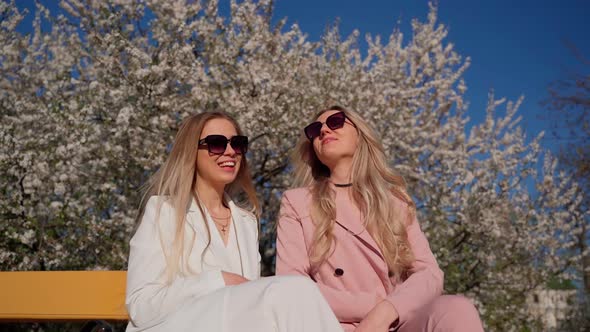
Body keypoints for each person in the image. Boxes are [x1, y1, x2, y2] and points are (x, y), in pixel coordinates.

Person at [125, 111, 342, 332]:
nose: (230, 152)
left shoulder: (246, 223)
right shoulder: (164, 211)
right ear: (191, 152)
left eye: (237, 144)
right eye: (216, 143)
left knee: (296, 293)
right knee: (295, 289)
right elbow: (141, 307)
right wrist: (218, 281)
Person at [276, 106, 484, 332]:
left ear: (360, 135)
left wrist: (387, 311)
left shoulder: (395, 202)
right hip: (334, 323)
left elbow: (429, 274)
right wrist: (372, 305)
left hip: (396, 321)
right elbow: (291, 285)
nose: (324, 130)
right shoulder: (298, 202)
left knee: (457, 309)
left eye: (335, 122)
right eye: (315, 129)